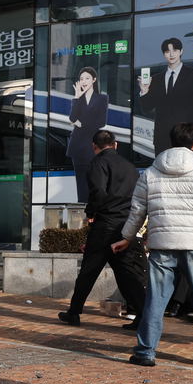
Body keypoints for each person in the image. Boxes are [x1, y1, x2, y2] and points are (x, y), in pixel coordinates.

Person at [112, 121, 193, 368]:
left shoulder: (150, 173)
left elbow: (137, 211)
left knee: (155, 299)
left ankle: (146, 351)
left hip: (161, 244)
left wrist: (126, 237)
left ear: (170, 143)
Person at [58, 130, 146, 329]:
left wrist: (91, 211)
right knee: (127, 273)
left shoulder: (98, 163)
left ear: (94, 146)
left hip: (105, 225)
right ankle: (143, 314)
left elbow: (98, 192)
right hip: (126, 227)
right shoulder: (131, 167)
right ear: (115, 145)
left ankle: (74, 313)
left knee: (89, 270)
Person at [138, 39, 193, 155]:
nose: (171, 54)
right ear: (164, 54)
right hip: (162, 138)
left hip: (185, 137)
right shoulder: (156, 79)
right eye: (167, 51)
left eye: (174, 50)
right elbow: (146, 109)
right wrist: (144, 91)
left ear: (181, 51)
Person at [66, 66, 109, 202]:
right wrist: (76, 98)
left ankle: (93, 211)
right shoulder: (79, 99)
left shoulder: (102, 98)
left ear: (94, 79)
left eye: (87, 78)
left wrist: (81, 124)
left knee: (94, 180)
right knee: (80, 182)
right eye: (81, 78)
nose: (83, 81)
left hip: (93, 145)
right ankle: (81, 212)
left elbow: (101, 122)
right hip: (77, 145)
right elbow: (72, 118)